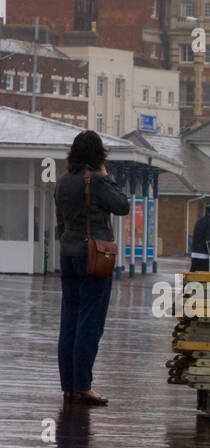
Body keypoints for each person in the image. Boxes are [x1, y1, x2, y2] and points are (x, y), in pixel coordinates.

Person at [53, 130, 129, 406]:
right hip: (94, 256)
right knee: (90, 320)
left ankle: (69, 387)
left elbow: (60, 221)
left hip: (68, 253)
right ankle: (83, 386)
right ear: (98, 156)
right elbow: (122, 205)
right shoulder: (96, 180)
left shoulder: (62, 182)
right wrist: (105, 174)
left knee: (69, 319)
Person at [190, 203, 210, 272]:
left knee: (194, 278)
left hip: (195, 254)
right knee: (205, 279)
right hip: (205, 257)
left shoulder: (199, 221)